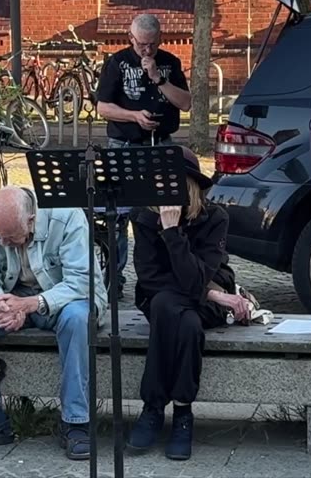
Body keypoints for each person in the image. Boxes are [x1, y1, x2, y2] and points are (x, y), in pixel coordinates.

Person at [0, 186, 108, 461]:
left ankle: (77, 423)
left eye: (9, 236)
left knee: (78, 320)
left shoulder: (67, 215)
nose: (3, 243)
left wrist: (32, 304)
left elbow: (82, 281)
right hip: (14, 298)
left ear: (31, 220)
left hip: (66, 299)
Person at [125, 147, 248, 461]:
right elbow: (150, 278)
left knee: (174, 309)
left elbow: (195, 280)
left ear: (190, 185)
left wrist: (172, 233)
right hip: (172, 299)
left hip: (198, 302)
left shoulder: (215, 218)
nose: (163, 189)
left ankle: (152, 409)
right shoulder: (144, 215)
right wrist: (217, 294)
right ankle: (182, 412)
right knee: (177, 314)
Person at [95, 13, 193, 297]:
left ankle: (162, 273)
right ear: (131, 39)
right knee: (118, 215)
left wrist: (158, 79)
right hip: (124, 144)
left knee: (165, 211)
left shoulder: (170, 63)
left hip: (161, 143)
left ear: (159, 39)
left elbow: (185, 103)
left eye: (152, 44)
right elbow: (103, 107)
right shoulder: (117, 63)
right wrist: (133, 116)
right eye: (141, 45)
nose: (147, 50)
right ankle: (114, 278)